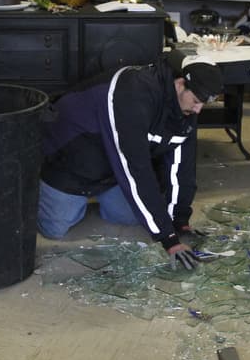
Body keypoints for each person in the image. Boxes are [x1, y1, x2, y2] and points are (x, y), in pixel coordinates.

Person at [37, 54, 224, 272]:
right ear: (180, 84)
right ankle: (47, 190)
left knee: (135, 217)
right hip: (70, 160)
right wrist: (169, 239)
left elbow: (183, 167)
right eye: (196, 101)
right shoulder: (133, 92)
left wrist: (179, 222)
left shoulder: (185, 107)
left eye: (203, 104)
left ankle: (100, 194)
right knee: (55, 229)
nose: (198, 110)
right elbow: (136, 169)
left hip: (110, 168)